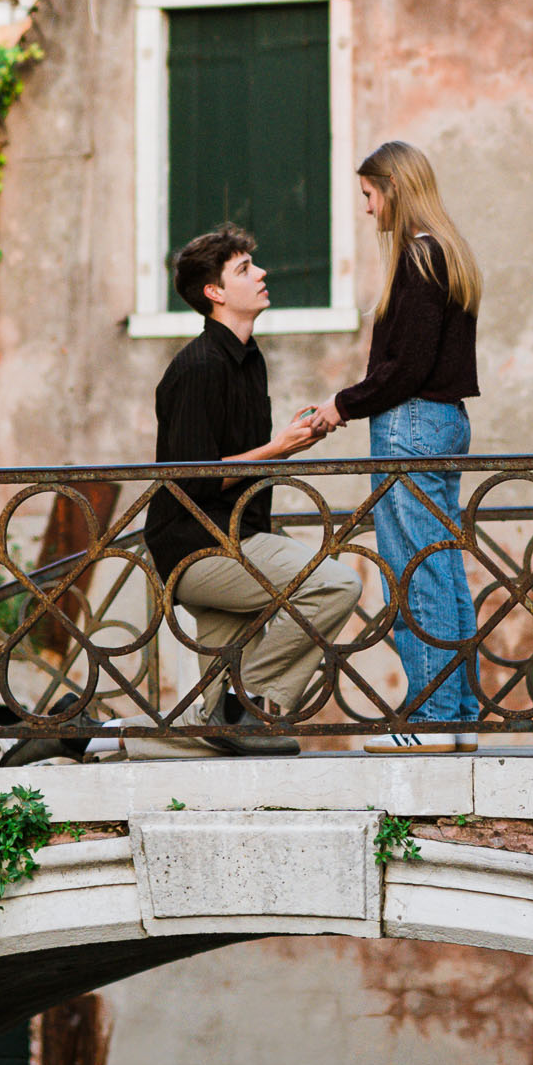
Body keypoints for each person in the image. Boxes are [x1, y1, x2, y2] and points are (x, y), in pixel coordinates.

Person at [142, 224, 360, 758]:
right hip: (200, 547)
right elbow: (198, 476)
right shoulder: (198, 368)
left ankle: (87, 745)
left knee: (210, 738)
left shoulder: (248, 358)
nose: (261, 273)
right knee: (334, 585)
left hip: (236, 535)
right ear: (214, 293)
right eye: (243, 269)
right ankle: (243, 703)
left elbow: (237, 460)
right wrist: (279, 448)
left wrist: (288, 441)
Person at [308, 141, 482, 754]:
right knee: (443, 566)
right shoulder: (447, 254)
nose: (366, 208)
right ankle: (458, 714)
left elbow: (405, 367)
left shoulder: (419, 257)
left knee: (416, 570)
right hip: (443, 423)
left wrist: (341, 405)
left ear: (394, 188)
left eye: (368, 195)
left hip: (410, 424)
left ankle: (434, 718)